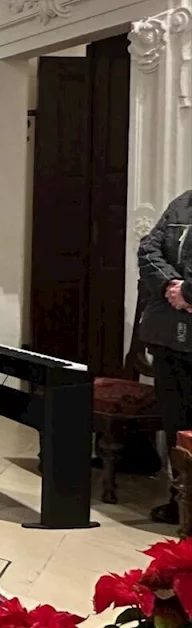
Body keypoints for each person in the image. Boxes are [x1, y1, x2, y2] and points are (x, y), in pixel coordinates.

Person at [138, 188, 192, 523]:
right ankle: (180, 501)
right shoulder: (182, 204)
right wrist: (171, 286)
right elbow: (148, 249)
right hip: (168, 336)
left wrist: (187, 291)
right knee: (176, 422)